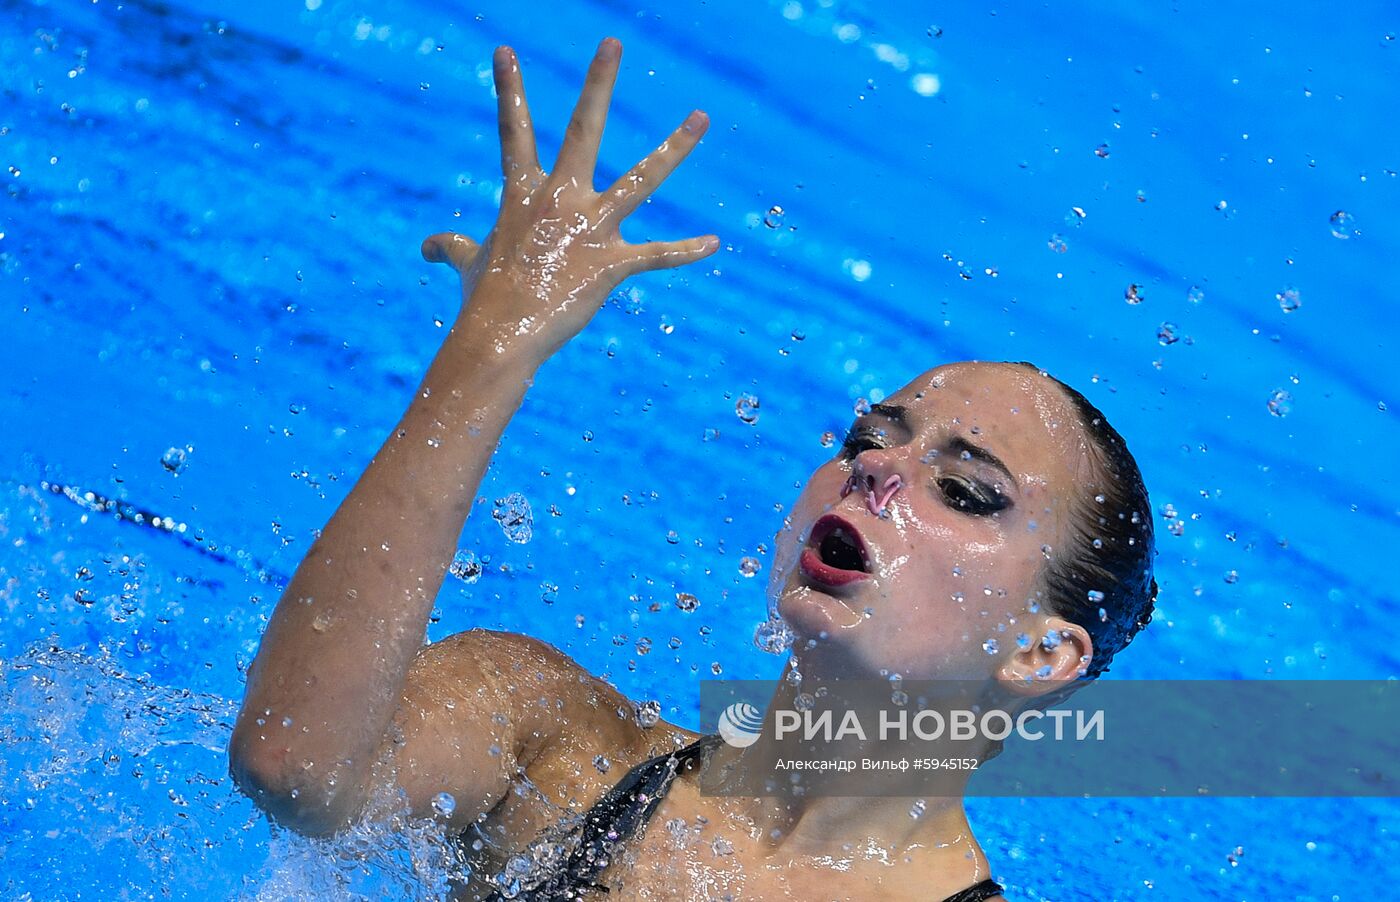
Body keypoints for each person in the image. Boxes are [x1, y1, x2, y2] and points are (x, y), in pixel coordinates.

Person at [229, 37, 1156, 901]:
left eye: (964, 490)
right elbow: (295, 763)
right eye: (870, 437)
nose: (879, 471)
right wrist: (492, 346)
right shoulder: (560, 750)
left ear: (1043, 651)